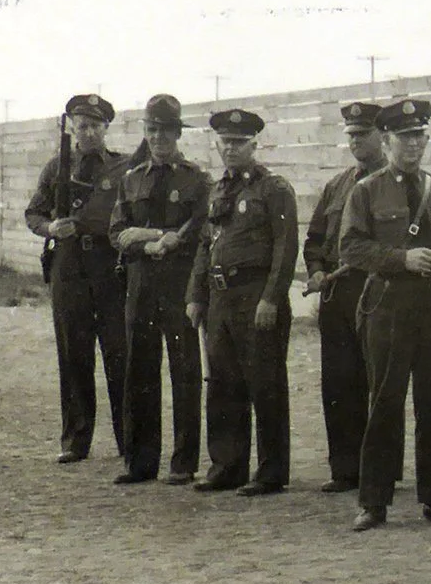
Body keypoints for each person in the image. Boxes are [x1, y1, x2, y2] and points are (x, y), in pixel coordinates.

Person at [338, 99, 431, 531]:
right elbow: (351, 247)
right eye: (403, 136)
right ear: (388, 140)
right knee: (384, 401)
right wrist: (402, 258)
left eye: (419, 135)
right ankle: (373, 502)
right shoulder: (367, 191)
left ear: (427, 139)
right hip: (389, 306)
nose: (412, 144)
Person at [186, 109, 299, 496]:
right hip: (220, 298)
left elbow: (286, 248)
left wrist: (272, 298)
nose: (231, 148)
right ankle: (227, 465)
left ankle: (271, 472)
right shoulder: (218, 191)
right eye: (225, 142)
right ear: (216, 145)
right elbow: (206, 244)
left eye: (239, 142)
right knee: (222, 382)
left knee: (264, 383)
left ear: (255, 144)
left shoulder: (274, 189)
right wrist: (195, 296)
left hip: (256, 295)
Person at [24, 93, 132, 464]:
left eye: (94, 126)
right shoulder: (57, 168)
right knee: (74, 354)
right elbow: (33, 213)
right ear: (71, 127)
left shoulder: (123, 168)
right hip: (68, 266)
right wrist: (51, 227)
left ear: (106, 128)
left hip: (109, 265)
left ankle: (129, 439)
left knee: (119, 352)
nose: (87, 132)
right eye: (80, 125)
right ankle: (75, 439)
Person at [108, 94, 208, 485]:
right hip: (140, 284)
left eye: (166, 130)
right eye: (152, 130)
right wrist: (147, 242)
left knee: (185, 370)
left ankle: (184, 462)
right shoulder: (131, 179)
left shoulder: (195, 178)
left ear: (178, 133)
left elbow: (200, 227)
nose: (159, 137)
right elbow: (116, 231)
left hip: (179, 284)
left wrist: (155, 236)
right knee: (139, 369)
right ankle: (140, 462)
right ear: (145, 133)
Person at [303, 101, 385, 493]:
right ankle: (345, 468)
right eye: (351, 134)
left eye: (363, 134)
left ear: (382, 135)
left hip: (376, 290)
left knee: (379, 381)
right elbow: (315, 239)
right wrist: (317, 269)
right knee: (339, 380)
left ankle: (380, 469)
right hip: (337, 292)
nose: (356, 141)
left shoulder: (394, 182)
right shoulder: (337, 186)